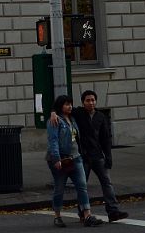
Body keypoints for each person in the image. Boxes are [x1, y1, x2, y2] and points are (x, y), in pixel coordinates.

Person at [46, 94, 103, 227]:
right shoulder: (55, 121)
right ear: (61, 106)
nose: (70, 106)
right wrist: (56, 158)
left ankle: (87, 215)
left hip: (75, 157)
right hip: (61, 158)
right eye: (66, 104)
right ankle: (57, 216)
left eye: (70, 103)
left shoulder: (73, 118)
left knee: (82, 186)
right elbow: (53, 141)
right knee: (59, 188)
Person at [73, 90, 127, 221]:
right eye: (88, 100)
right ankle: (82, 212)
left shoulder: (100, 116)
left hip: (98, 155)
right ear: (83, 102)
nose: (91, 103)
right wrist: (52, 112)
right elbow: (61, 106)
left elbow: (105, 138)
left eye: (93, 100)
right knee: (82, 185)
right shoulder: (78, 113)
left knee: (107, 182)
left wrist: (108, 156)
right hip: (83, 156)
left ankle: (113, 211)